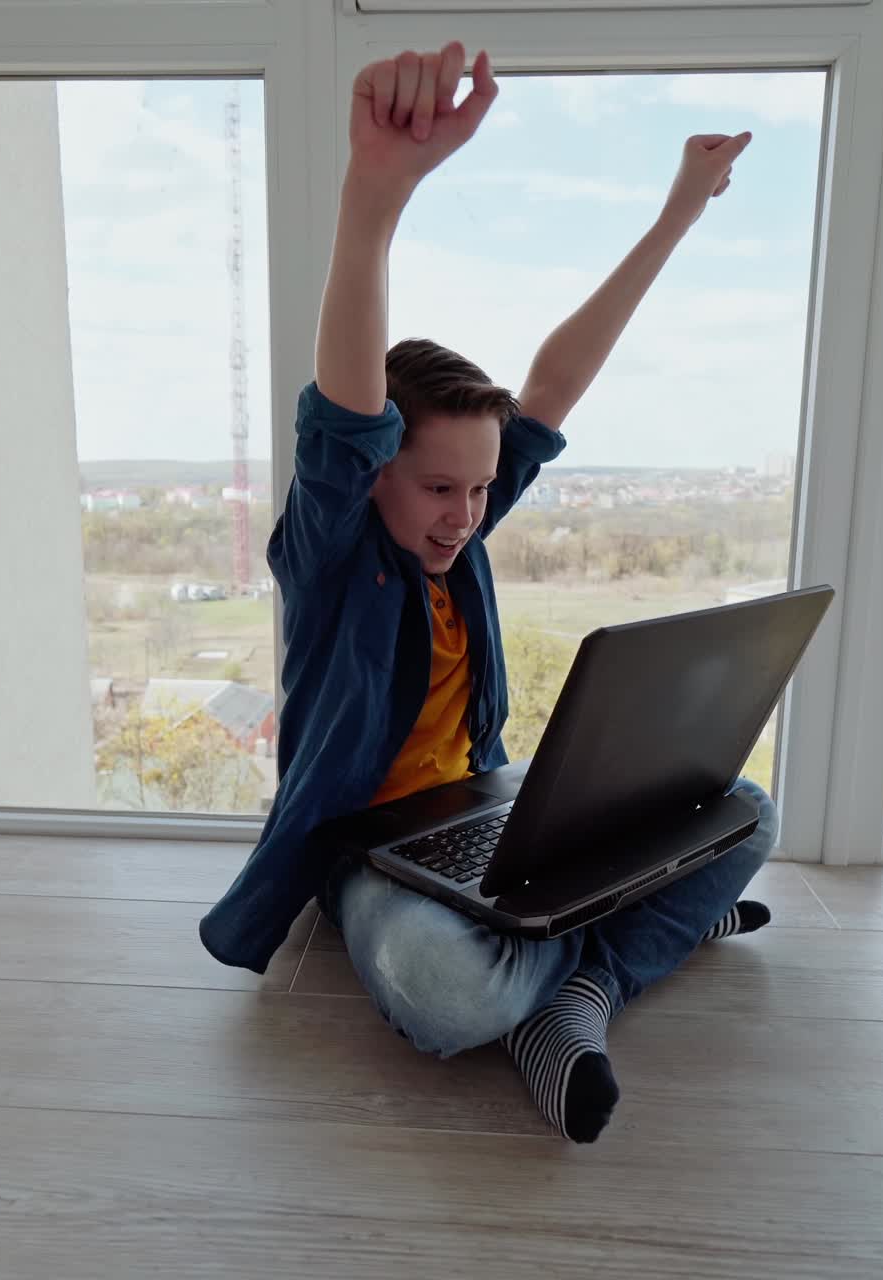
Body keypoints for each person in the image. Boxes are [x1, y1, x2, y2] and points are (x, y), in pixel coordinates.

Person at [201, 41, 772, 1143]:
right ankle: (618, 948)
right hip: (372, 849)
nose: (464, 513)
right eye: (435, 486)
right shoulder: (331, 549)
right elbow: (343, 416)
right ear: (374, 474)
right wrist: (375, 195)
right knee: (442, 984)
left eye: (477, 487)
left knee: (746, 810)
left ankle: (574, 987)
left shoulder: (454, 530)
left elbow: (554, 382)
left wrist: (675, 218)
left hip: (486, 806)